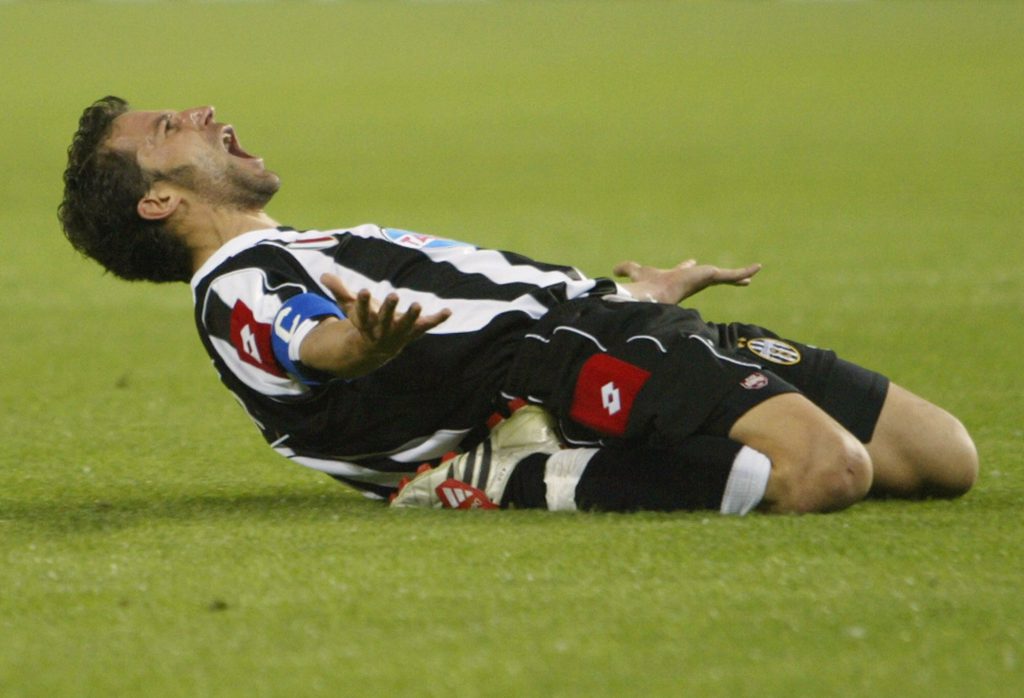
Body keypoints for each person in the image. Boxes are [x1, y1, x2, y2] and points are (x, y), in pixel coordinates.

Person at [58, 96, 978, 515]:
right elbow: (308, 339)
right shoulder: (236, 282)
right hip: (562, 358)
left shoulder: (308, 245)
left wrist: (632, 293)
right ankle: (508, 479)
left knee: (944, 461)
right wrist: (355, 347)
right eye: (169, 128)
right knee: (827, 473)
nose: (203, 110)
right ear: (159, 201)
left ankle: (543, 455)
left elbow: (474, 299)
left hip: (616, 324)